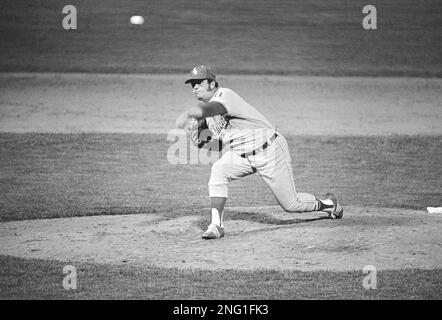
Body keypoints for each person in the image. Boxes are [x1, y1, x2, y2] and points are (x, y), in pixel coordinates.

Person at [175, 65, 343, 239]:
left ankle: (331, 205)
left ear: (211, 83)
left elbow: (213, 108)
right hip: (243, 155)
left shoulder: (225, 96)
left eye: (199, 82)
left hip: (270, 150)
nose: (194, 87)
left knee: (292, 204)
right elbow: (217, 146)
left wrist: (194, 112)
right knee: (219, 170)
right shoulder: (209, 117)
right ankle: (216, 225)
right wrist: (196, 138)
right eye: (192, 84)